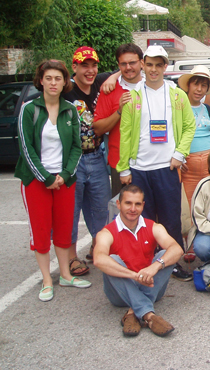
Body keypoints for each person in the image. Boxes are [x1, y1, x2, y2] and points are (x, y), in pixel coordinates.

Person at [117, 45, 195, 281]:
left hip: (166, 168)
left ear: (165, 67)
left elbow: (189, 126)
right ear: (143, 64)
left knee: (170, 218)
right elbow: (126, 132)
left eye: (158, 65)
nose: (153, 69)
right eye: (149, 64)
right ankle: (146, 261)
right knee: (143, 219)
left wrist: (179, 154)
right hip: (139, 168)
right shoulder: (133, 96)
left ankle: (172, 263)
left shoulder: (177, 95)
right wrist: (123, 167)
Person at [15, 59, 90, 301]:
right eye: (48, 78)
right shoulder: (29, 109)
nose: (53, 82)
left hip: (64, 180)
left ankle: (66, 275)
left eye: (58, 78)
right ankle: (47, 279)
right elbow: (26, 148)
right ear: (41, 81)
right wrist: (46, 177)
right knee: (40, 232)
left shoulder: (70, 109)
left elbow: (77, 147)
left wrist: (64, 175)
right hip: (37, 181)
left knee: (63, 229)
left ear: (64, 81)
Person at [94, 185, 183, 337]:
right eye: (128, 203)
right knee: (111, 260)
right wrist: (134, 276)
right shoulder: (106, 232)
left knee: (165, 255)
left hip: (151, 285)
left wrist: (155, 266)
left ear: (143, 205)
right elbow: (98, 260)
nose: (133, 208)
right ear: (118, 204)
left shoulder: (154, 227)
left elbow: (177, 250)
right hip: (119, 293)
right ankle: (149, 316)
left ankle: (132, 312)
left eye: (137, 204)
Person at [63, 46, 118, 275]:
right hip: (71, 160)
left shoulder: (99, 83)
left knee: (100, 209)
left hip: (96, 157)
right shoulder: (66, 90)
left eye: (93, 65)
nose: (90, 70)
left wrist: (112, 77)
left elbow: (122, 70)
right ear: (74, 67)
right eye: (84, 65)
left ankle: (98, 248)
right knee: (71, 212)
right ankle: (71, 257)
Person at [94, 43, 144, 198]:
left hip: (151, 162)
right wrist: (119, 111)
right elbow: (97, 129)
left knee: (151, 215)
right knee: (124, 214)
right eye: (124, 64)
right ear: (118, 65)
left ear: (141, 63)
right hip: (121, 164)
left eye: (132, 62)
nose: (128, 67)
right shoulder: (109, 90)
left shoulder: (153, 86)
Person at [177, 65, 210, 209]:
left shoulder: (206, 108)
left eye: (203, 86)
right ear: (188, 85)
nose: (199, 89)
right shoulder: (178, 108)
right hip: (188, 167)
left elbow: (209, 132)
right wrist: (177, 157)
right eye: (196, 84)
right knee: (189, 207)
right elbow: (173, 134)